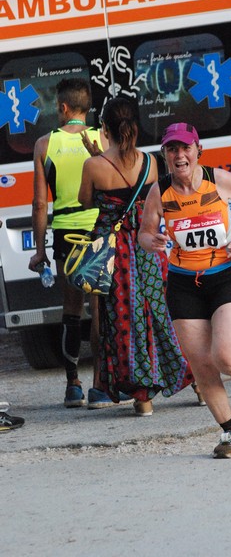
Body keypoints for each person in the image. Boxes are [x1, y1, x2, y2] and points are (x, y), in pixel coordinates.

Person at [138, 122, 231, 458]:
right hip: (183, 284)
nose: (179, 155)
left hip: (225, 276)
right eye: (172, 149)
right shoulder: (159, 191)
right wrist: (154, 241)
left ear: (197, 150)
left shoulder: (217, 179)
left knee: (226, 356)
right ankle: (229, 432)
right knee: (202, 365)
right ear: (164, 155)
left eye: (185, 148)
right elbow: (144, 234)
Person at [78, 99, 195, 416]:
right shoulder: (152, 162)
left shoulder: (94, 166)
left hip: (115, 257)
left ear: (105, 129)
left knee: (127, 322)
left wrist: (96, 156)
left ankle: (143, 399)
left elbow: (85, 199)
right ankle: (197, 381)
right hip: (150, 249)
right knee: (164, 314)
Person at [28, 78, 132, 410]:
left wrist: (40, 251)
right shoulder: (104, 138)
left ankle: (72, 385)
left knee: (72, 309)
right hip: (100, 229)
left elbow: (40, 204)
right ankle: (99, 386)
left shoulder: (45, 144)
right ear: (86, 108)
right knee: (101, 309)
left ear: (63, 107)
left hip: (65, 233)